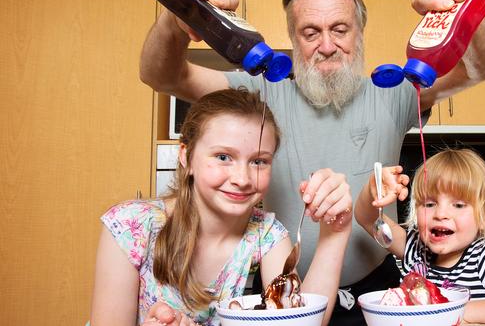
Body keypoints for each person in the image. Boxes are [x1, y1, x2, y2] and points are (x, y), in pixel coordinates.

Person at [139, 0, 485, 323]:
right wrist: (177, 17)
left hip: (376, 289)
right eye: (310, 32)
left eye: (340, 29)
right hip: (281, 292)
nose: (326, 45)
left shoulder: (394, 93)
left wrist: (462, 10)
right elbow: (162, 75)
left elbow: (480, 68)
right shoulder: (260, 94)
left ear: (359, 30)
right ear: (293, 38)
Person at [90, 88, 352, 326]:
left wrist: (336, 232)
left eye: (259, 161)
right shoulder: (129, 228)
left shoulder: (265, 234)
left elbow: (301, 322)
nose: (242, 179)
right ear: (186, 156)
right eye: (223, 157)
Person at [355, 148, 485, 325]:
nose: (440, 214)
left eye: (459, 205)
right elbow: (366, 217)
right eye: (429, 204)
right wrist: (373, 189)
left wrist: (449, 311)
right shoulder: (417, 249)